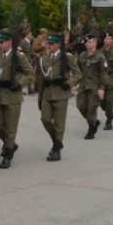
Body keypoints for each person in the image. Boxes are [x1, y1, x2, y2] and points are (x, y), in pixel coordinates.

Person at [0, 29, 33, 169]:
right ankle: (11, 144)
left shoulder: (19, 57)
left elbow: (31, 74)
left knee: (10, 128)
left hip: (13, 96)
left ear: (9, 42)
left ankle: (8, 154)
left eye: (2, 42)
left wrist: (20, 83)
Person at [38, 33, 81, 162]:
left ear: (58, 44)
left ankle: (56, 149)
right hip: (47, 93)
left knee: (59, 124)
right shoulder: (43, 59)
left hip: (61, 93)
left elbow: (78, 73)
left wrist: (69, 83)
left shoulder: (66, 57)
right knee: (45, 119)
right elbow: (41, 79)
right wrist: (40, 97)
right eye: (48, 43)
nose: (49, 46)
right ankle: (57, 142)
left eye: (51, 43)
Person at [76, 35, 107, 140]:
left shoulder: (100, 56)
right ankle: (94, 122)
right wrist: (75, 84)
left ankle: (91, 129)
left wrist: (102, 88)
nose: (87, 44)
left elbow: (104, 73)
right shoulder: (82, 56)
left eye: (89, 42)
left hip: (94, 86)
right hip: (83, 85)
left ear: (95, 43)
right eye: (86, 42)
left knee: (91, 109)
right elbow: (78, 71)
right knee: (80, 106)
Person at [99, 33, 113, 130]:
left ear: (112, 41)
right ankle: (110, 113)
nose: (107, 40)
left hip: (112, 76)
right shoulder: (100, 51)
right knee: (102, 103)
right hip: (101, 78)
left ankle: (109, 120)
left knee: (109, 100)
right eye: (105, 38)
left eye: (109, 38)